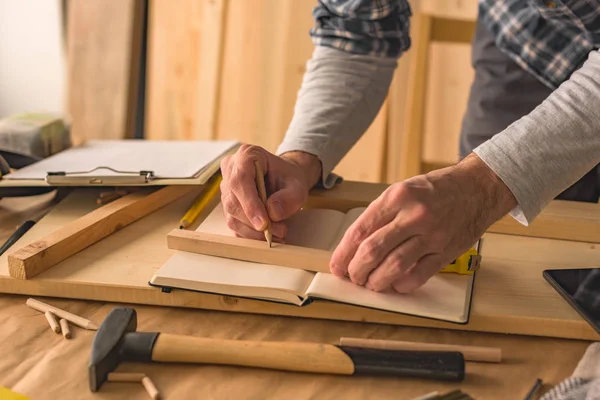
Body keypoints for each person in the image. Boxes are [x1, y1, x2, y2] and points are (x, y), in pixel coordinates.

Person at [219, 0, 600, 294]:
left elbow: (482, 185)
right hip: (533, 37)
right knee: (494, 264)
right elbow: (359, 27)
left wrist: (482, 186)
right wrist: (302, 156)